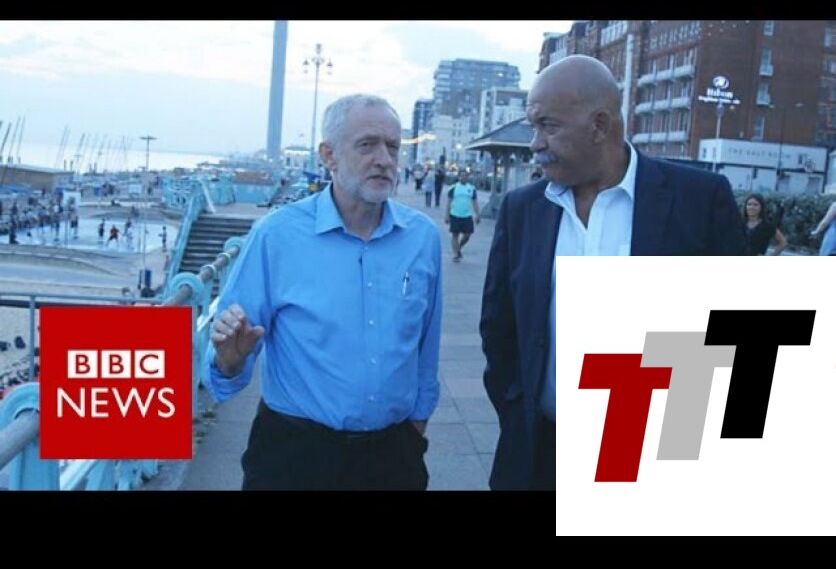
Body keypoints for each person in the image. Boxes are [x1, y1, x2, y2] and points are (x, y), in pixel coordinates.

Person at [480, 55, 746, 491]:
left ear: (600, 126)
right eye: (533, 127)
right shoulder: (522, 209)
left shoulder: (700, 201)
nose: (535, 143)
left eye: (548, 126)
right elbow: (499, 328)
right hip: (538, 456)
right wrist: (517, 411)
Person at [203, 94, 443, 491]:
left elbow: (426, 348)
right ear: (328, 155)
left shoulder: (422, 238)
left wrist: (415, 428)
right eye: (367, 145)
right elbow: (226, 358)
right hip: (294, 457)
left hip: (392, 458)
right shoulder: (276, 235)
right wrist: (229, 361)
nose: (384, 159)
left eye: (392, 146)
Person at [445, 169, 480, 262]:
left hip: (467, 215)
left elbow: (475, 202)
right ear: (459, 177)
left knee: (467, 235)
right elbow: (448, 202)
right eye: (461, 175)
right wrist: (447, 215)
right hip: (455, 214)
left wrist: (477, 214)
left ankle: (459, 247)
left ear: (468, 177)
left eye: (465, 176)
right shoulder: (453, 188)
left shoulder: (471, 188)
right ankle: (455, 254)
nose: (463, 177)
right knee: (455, 235)